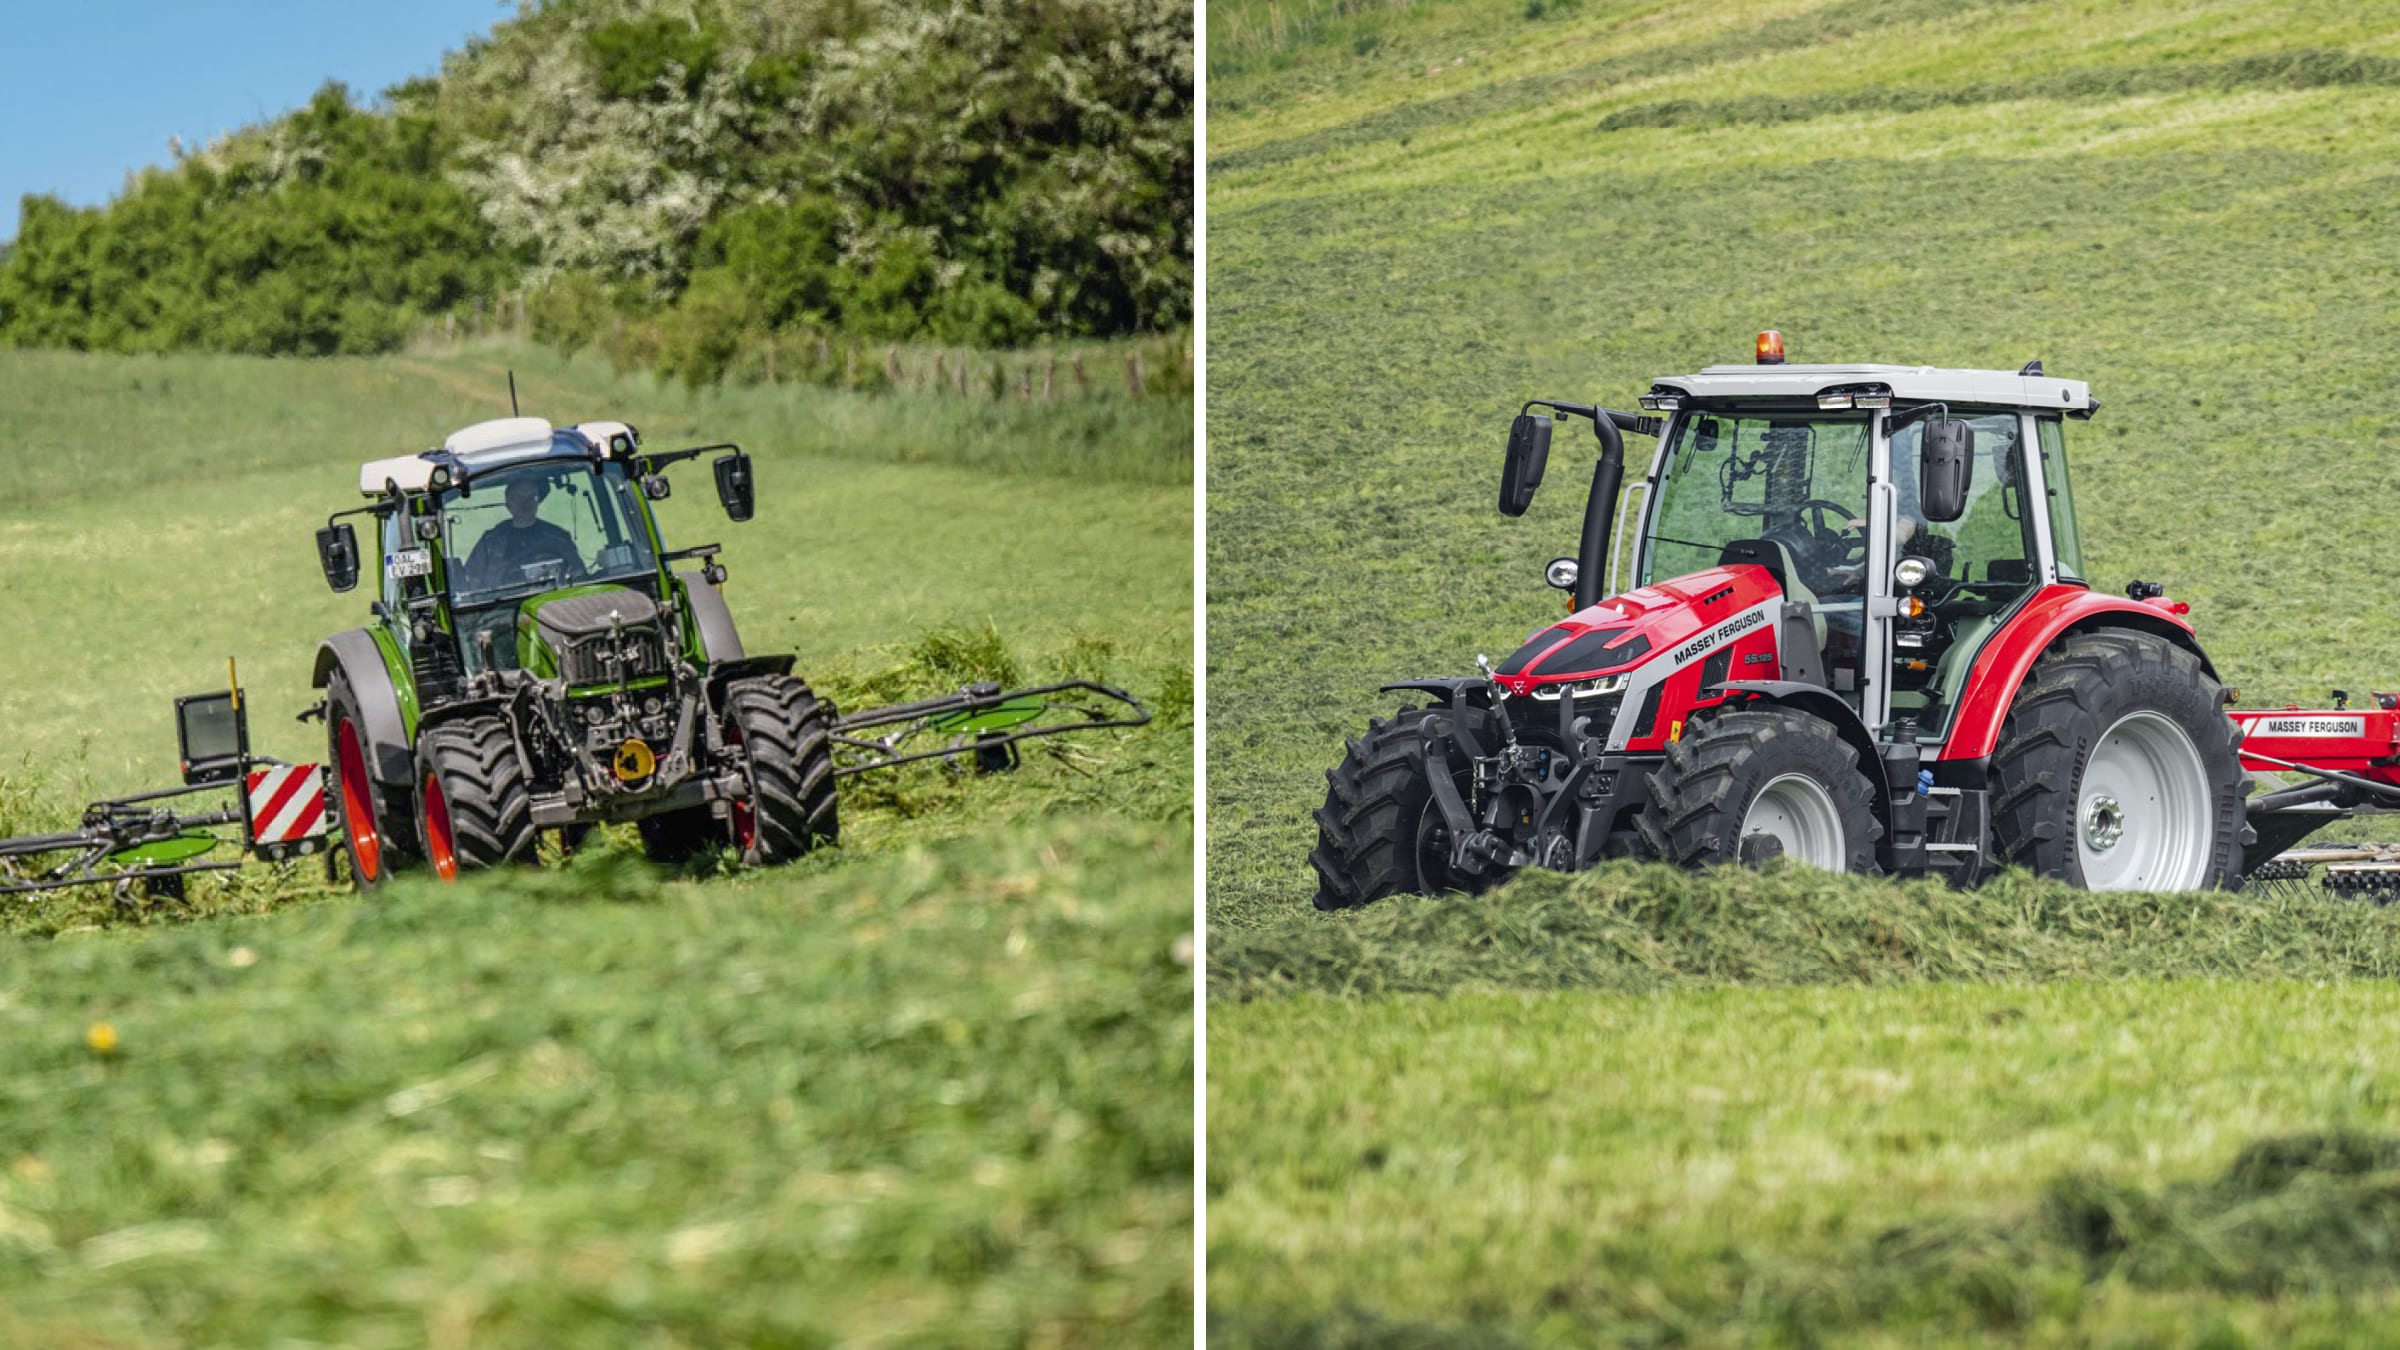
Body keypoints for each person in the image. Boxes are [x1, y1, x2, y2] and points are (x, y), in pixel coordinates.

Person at [467, 477, 584, 591]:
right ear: (508, 504)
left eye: (531, 497)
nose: (525, 503)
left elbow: (579, 575)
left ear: (538, 501)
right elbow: (472, 583)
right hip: (503, 607)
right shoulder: (489, 542)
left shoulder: (558, 537)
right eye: (518, 497)